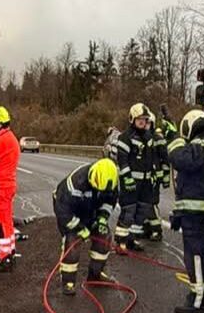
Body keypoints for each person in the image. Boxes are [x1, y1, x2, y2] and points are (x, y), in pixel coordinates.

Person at [168, 110, 204, 313]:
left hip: (197, 214)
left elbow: (180, 160)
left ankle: (199, 300)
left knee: (197, 257)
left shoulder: (199, 145)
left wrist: (173, 138)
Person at [53, 159, 119, 295]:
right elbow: (63, 212)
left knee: (105, 236)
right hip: (72, 213)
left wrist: (102, 219)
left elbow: (109, 202)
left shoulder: (111, 183)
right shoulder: (74, 184)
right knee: (73, 242)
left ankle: (94, 276)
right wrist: (80, 228)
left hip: (92, 211)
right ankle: (68, 282)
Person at [110, 103, 155, 251]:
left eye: (145, 119)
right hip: (131, 182)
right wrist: (127, 178)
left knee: (142, 211)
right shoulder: (125, 137)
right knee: (128, 211)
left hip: (146, 182)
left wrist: (154, 175)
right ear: (132, 119)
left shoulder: (149, 137)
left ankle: (132, 239)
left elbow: (151, 159)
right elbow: (122, 160)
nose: (143, 122)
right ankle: (120, 242)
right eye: (140, 119)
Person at [0, 106, 21, 270]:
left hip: (1, 186)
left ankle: (5, 257)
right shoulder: (10, 138)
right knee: (7, 222)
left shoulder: (1, 141)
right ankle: (10, 253)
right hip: (7, 185)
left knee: (1, 223)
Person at [144, 114, 171, 241]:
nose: (145, 125)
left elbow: (165, 160)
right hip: (143, 178)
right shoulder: (140, 137)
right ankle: (147, 228)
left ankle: (157, 230)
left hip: (154, 177)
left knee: (151, 203)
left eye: (148, 123)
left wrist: (165, 179)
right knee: (143, 203)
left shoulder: (158, 139)